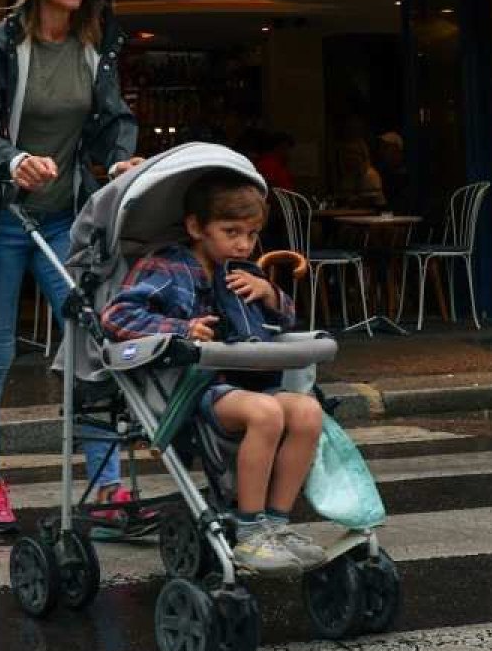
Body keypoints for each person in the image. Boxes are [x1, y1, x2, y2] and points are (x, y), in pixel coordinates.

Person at [0, 0, 144, 535]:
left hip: (65, 220)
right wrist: (13, 159)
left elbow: (113, 118)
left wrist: (119, 157)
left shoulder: (96, 44)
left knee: (93, 343)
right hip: (3, 219)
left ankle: (108, 489)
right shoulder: (2, 45)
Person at [101, 170, 327, 573]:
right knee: (267, 413)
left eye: (252, 234)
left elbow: (284, 324)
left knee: (309, 413)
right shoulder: (168, 267)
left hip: (248, 383)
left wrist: (272, 295)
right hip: (192, 389)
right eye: (231, 232)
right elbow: (118, 316)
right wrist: (182, 329)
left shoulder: (243, 273)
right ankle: (250, 531)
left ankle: (276, 523)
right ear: (195, 227)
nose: (243, 244)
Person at [332, 138, 385, 209]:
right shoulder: (348, 177)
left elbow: (367, 202)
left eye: (354, 153)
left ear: (363, 156)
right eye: (347, 153)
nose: (350, 157)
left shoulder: (370, 175)